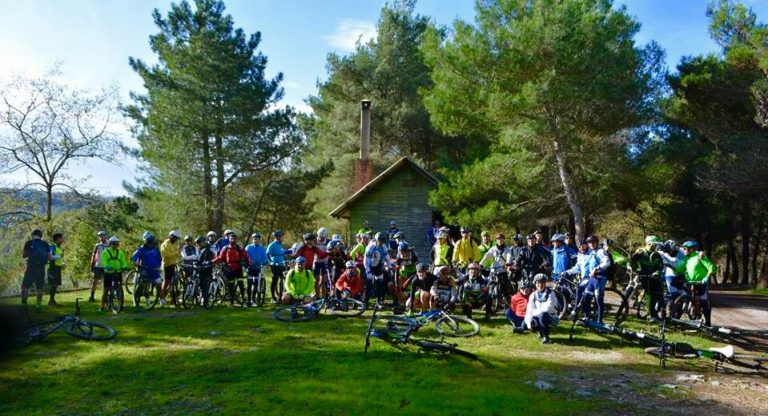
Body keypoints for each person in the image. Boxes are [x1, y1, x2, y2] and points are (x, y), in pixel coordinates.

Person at [562, 236, 611, 323]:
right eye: (579, 246)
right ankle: (586, 315)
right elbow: (578, 267)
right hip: (588, 278)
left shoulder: (595, 252)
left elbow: (606, 262)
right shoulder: (581, 254)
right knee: (585, 297)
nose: (581, 248)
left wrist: (596, 269)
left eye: (583, 245)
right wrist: (567, 272)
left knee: (581, 290)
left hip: (594, 278)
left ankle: (577, 312)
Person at [677, 241, 716, 326]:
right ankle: (676, 320)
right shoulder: (686, 259)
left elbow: (711, 268)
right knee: (683, 298)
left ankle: (708, 322)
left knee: (703, 301)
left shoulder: (700, 256)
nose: (683, 250)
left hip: (701, 283)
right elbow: (679, 270)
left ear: (691, 249)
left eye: (685, 248)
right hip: (689, 283)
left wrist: (706, 277)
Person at [630, 235, 664, 321]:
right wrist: (634, 269)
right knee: (649, 295)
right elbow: (632, 261)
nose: (655, 246)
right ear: (649, 244)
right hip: (643, 277)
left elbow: (660, 266)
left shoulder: (657, 255)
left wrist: (657, 272)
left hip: (654, 277)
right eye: (654, 244)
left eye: (656, 245)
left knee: (659, 294)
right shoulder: (640, 252)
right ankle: (652, 314)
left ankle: (658, 313)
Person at [214, 232, 250, 306]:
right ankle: (232, 302)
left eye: (234, 238)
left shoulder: (238, 248)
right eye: (231, 238)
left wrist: (248, 263)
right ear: (229, 239)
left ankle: (243, 301)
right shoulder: (225, 248)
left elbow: (246, 255)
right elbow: (220, 257)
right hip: (229, 269)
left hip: (238, 268)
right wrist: (213, 261)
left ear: (236, 239)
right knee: (231, 286)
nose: (232, 240)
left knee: (241, 285)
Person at [524, 274, 560, 344]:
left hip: (551, 317)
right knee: (532, 322)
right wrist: (529, 323)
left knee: (543, 315)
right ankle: (540, 331)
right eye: (538, 283)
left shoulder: (551, 293)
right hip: (538, 316)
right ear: (535, 283)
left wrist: (533, 313)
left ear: (545, 283)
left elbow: (547, 309)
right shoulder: (533, 295)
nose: (540, 285)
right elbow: (529, 310)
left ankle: (546, 337)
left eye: (542, 282)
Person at [657, 240, 687, 318]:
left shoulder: (681, 252)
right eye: (667, 250)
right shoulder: (665, 253)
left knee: (681, 296)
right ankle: (661, 307)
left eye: (670, 250)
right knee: (673, 294)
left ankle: (677, 316)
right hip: (670, 275)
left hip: (681, 275)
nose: (669, 252)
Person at [21, 229, 50, 309]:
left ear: (33, 235)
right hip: (41, 268)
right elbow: (49, 257)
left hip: (31, 267)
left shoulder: (29, 243)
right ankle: (38, 305)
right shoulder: (45, 244)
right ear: (40, 236)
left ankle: (24, 305)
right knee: (39, 288)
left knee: (25, 287)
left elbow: (24, 255)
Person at [99, 236, 131, 311]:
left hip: (118, 271)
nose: (116, 245)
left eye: (117, 244)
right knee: (106, 289)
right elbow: (104, 261)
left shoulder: (120, 252)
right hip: (109, 272)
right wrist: (107, 266)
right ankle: (102, 306)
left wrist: (125, 266)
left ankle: (120, 303)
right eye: (114, 244)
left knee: (119, 286)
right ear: (110, 244)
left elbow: (123, 261)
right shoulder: (105, 252)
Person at [132, 233, 163, 304]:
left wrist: (159, 267)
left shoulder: (155, 249)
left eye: (151, 242)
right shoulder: (142, 248)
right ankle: (142, 298)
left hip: (155, 270)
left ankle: (162, 301)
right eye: (149, 242)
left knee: (159, 285)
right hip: (145, 269)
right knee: (144, 285)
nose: (150, 244)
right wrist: (136, 263)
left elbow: (159, 259)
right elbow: (134, 257)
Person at [365, 233, 391, 307]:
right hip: (370, 266)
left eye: (383, 242)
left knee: (379, 283)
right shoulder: (371, 246)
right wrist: (368, 271)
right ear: (376, 240)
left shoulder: (384, 246)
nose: (381, 243)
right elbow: (365, 260)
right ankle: (366, 301)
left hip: (378, 265)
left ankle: (378, 302)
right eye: (380, 241)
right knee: (369, 284)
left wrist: (389, 268)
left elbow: (387, 258)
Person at [245, 233, 268, 307]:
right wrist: (249, 261)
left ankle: (253, 299)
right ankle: (248, 300)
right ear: (252, 240)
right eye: (254, 239)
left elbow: (265, 258)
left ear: (259, 240)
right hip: (250, 268)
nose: (255, 240)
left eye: (257, 239)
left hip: (258, 268)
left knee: (256, 284)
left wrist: (263, 262)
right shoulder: (248, 247)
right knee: (249, 283)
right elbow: (245, 256)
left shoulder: (262, 248)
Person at [159, 230, 182, 306]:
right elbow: (166, 255)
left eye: (177, 239)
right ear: (171, 237)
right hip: (167, 265)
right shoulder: (165, 244)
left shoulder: (174, 244)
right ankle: (161, 299)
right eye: (175, 238)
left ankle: (172, 299)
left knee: (172, 283)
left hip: (173, 265)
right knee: (165, 283)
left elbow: (178, 255)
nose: (176, 240)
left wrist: (179, 252)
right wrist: (176, 253)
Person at [266, 230, 288, 303]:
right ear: (278, 237)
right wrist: (271, 262)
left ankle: (281, 296)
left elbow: (283, 254)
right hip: (275, 265)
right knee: (275, 280)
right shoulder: (272, 245)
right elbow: (267, 255)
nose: (283, 238)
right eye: (282, 237)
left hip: (282, 264)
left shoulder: (281, 244)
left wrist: (286, 260)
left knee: (283, 280)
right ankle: (273, 297)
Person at [195, 236, 217, 306]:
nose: (197, 245)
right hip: (201, 270)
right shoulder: (201, 249)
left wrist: (201, 264)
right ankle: (202, 300)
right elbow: (199, 259)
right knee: (201, 286)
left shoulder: (207, 250)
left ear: (203, 242)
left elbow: (207, 261)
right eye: (197, 243)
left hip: (206, 270)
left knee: (204, 286)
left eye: (199, 243)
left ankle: (205, 302)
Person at [89, 231, 109, 302]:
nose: (101, 238)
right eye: (99, 236)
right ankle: (91, 296)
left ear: (105, 236)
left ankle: (105, 297)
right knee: (95, 281)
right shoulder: (97, 245)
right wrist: (92, 265)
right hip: (98, 265)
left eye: (102, 236)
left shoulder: (109, 245)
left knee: (106, 282)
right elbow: (93, 255)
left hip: (106, 266)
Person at [47, 232, 65, 306]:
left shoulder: (58, 247)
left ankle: (52, 301)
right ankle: (51, 301)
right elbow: (50, 257)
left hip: (57, 268)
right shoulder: (52, 246)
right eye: (62, 238)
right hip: (52, 268)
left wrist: (62, 263)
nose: (63, 239)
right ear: (58, 238)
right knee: (53, 284)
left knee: (55, 285)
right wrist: (59, 256)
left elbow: (59, 257)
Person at [313, 227, 331, 297]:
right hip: (316, 262)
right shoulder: (315, 240)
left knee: (324, 281)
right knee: (316, 281)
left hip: (325, 262)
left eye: (322, 237)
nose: (320, 239)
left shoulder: (328, 241)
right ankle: (317, 296)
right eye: (319, 237)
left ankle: (324, 297)